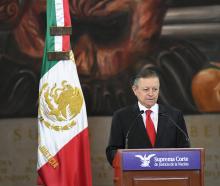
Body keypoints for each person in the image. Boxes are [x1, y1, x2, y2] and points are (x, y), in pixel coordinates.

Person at [106, 68, 190, 166]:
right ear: (135, 90)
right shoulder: (121, 116)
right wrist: (130, 161)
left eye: (155, 89)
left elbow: (185, 150)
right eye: (146, 89)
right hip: (134, 177)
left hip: (168, 176)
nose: (151, 94)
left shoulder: (174, 116)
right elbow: (112, 151)